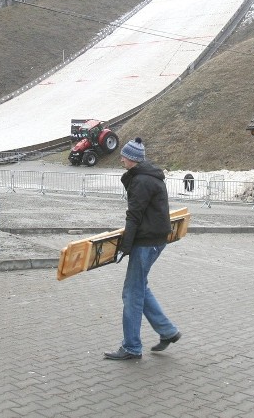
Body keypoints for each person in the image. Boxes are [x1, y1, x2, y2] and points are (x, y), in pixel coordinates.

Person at [103, 137, 181, 360]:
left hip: (146, 242)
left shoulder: (141, 181)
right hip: (154, 240)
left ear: (133, 159)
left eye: (124, 156)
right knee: (140, 287)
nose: (121, 159)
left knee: (132, 293)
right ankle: (168, 332)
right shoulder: (147, 176)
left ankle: (131, 347)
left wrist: (123, 248)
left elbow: (134, 216)